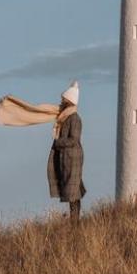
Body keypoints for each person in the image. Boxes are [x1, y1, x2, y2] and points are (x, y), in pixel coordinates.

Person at [47, 81, 86, 222]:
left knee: (73, 191)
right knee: (72, 190)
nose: (61, 102)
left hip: (72, 158)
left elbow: (74, 140)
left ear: (69, 101)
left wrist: (58, 143)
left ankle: (75, 221)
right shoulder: (66, 117)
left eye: (64, 100)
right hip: (68, 158)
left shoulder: (74, 119)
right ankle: (74, 220)